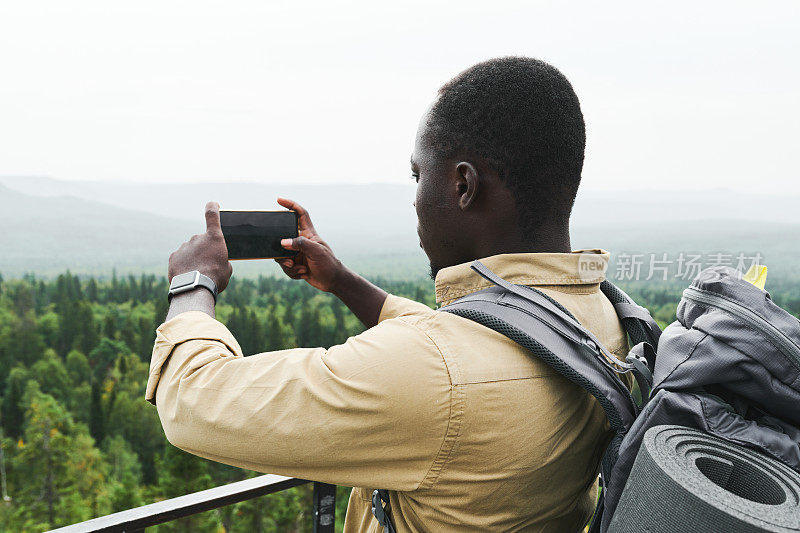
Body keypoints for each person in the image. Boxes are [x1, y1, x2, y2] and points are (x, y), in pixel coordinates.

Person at [147, 56, 630, 532]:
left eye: (419, 176)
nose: (416, 199)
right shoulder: (603, 317)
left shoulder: (435, 376)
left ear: (464, 185)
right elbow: (477, 345)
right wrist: (340, 280)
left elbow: (193, 403)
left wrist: (194, 282)